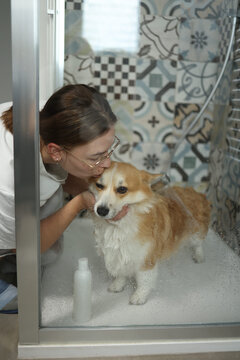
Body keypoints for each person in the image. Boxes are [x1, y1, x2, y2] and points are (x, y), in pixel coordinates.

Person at [0, 84, 128, 268]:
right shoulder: (8, 183)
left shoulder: (53, 117)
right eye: (96, 157)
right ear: (56, 152)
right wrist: (80, 202)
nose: (107, 163)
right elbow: (23, 247)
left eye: (108, 150)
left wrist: (97, 193)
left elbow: (66, 167)